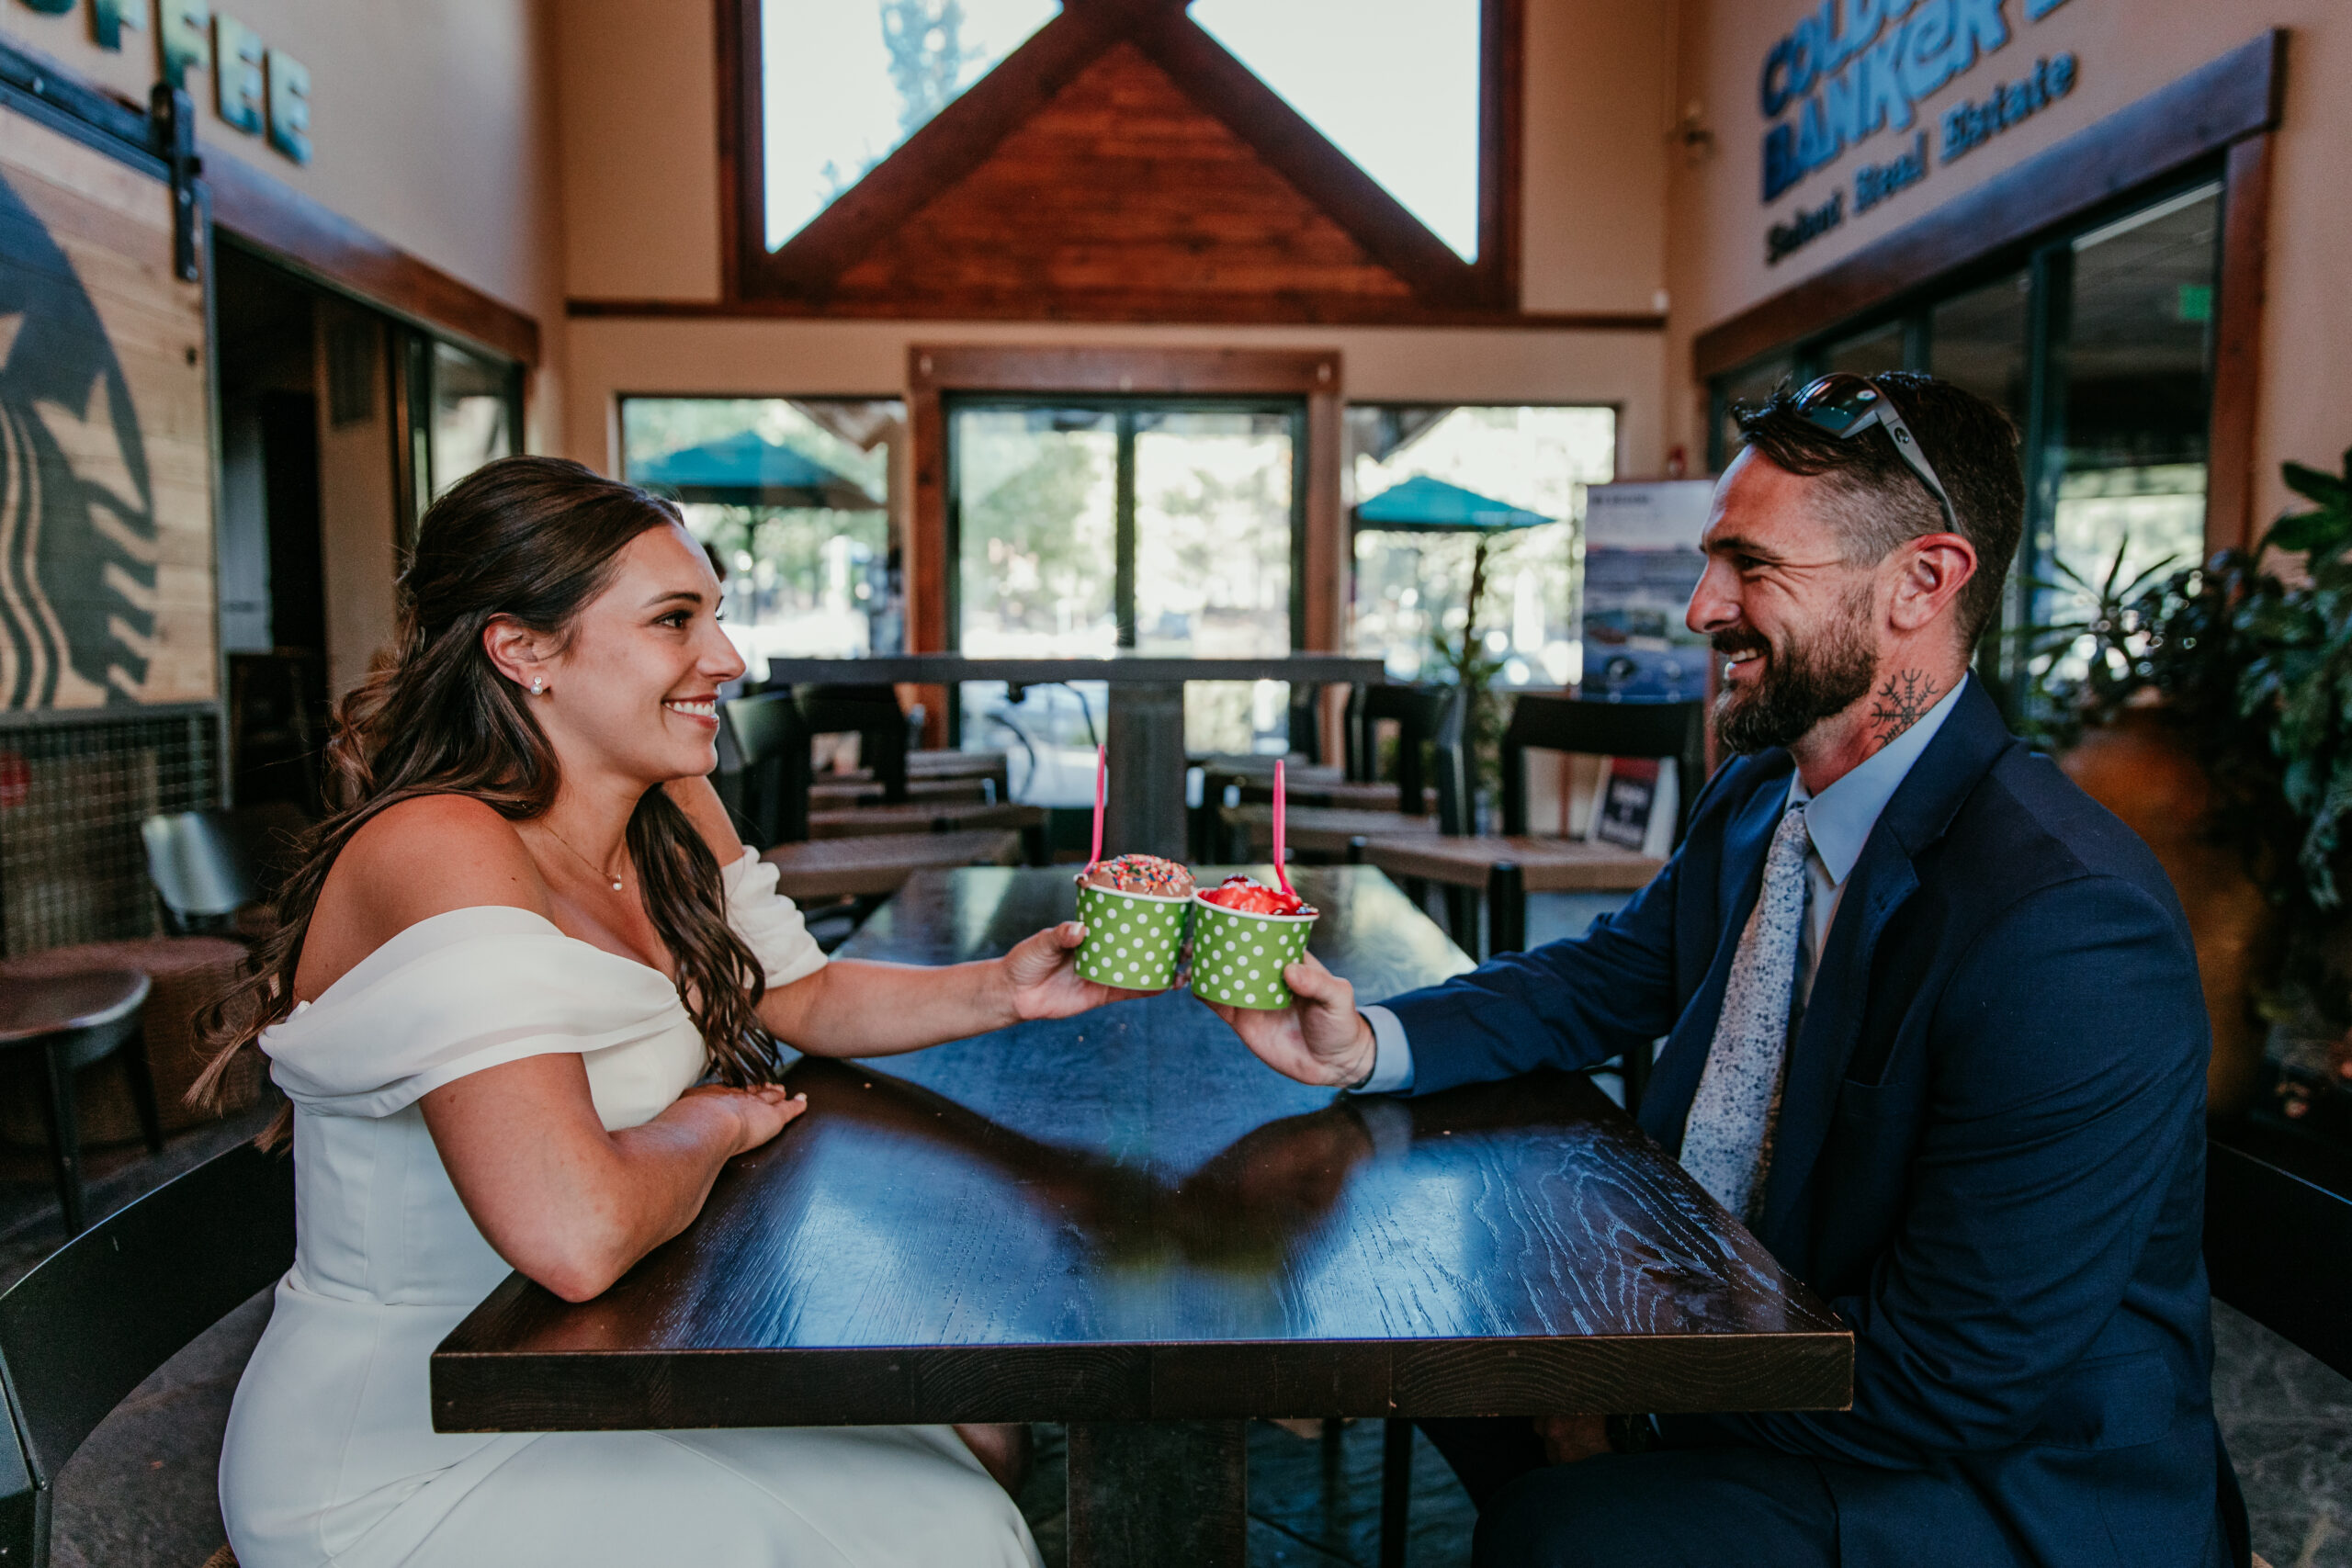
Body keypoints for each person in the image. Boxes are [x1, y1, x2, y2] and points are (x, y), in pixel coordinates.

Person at [1214, 373, 2237, 1568]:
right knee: (1449, 1348)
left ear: (1925, 579)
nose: (1701, 606)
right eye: (1712, 560)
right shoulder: (1763, 797)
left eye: (1752, 566)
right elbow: (1598, 978)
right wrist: (1368, 1041)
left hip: (2004, 1484)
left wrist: (1632, 1390)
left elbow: (1951, 1382)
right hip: (1781, 1360)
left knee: (1564, 1523)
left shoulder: (2066, 928)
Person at [204, 457, 1118, 1568]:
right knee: (956, 1528)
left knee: (971, 1435)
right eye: (674, 621)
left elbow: (806, 992)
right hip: (420, 1441)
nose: (726, 661)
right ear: (521, 648)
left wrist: (1005, 990)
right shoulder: (438, 845)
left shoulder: (669, 803)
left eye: (716, 618)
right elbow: (577, 1235)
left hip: (607, 1360)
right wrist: (713, 1123)